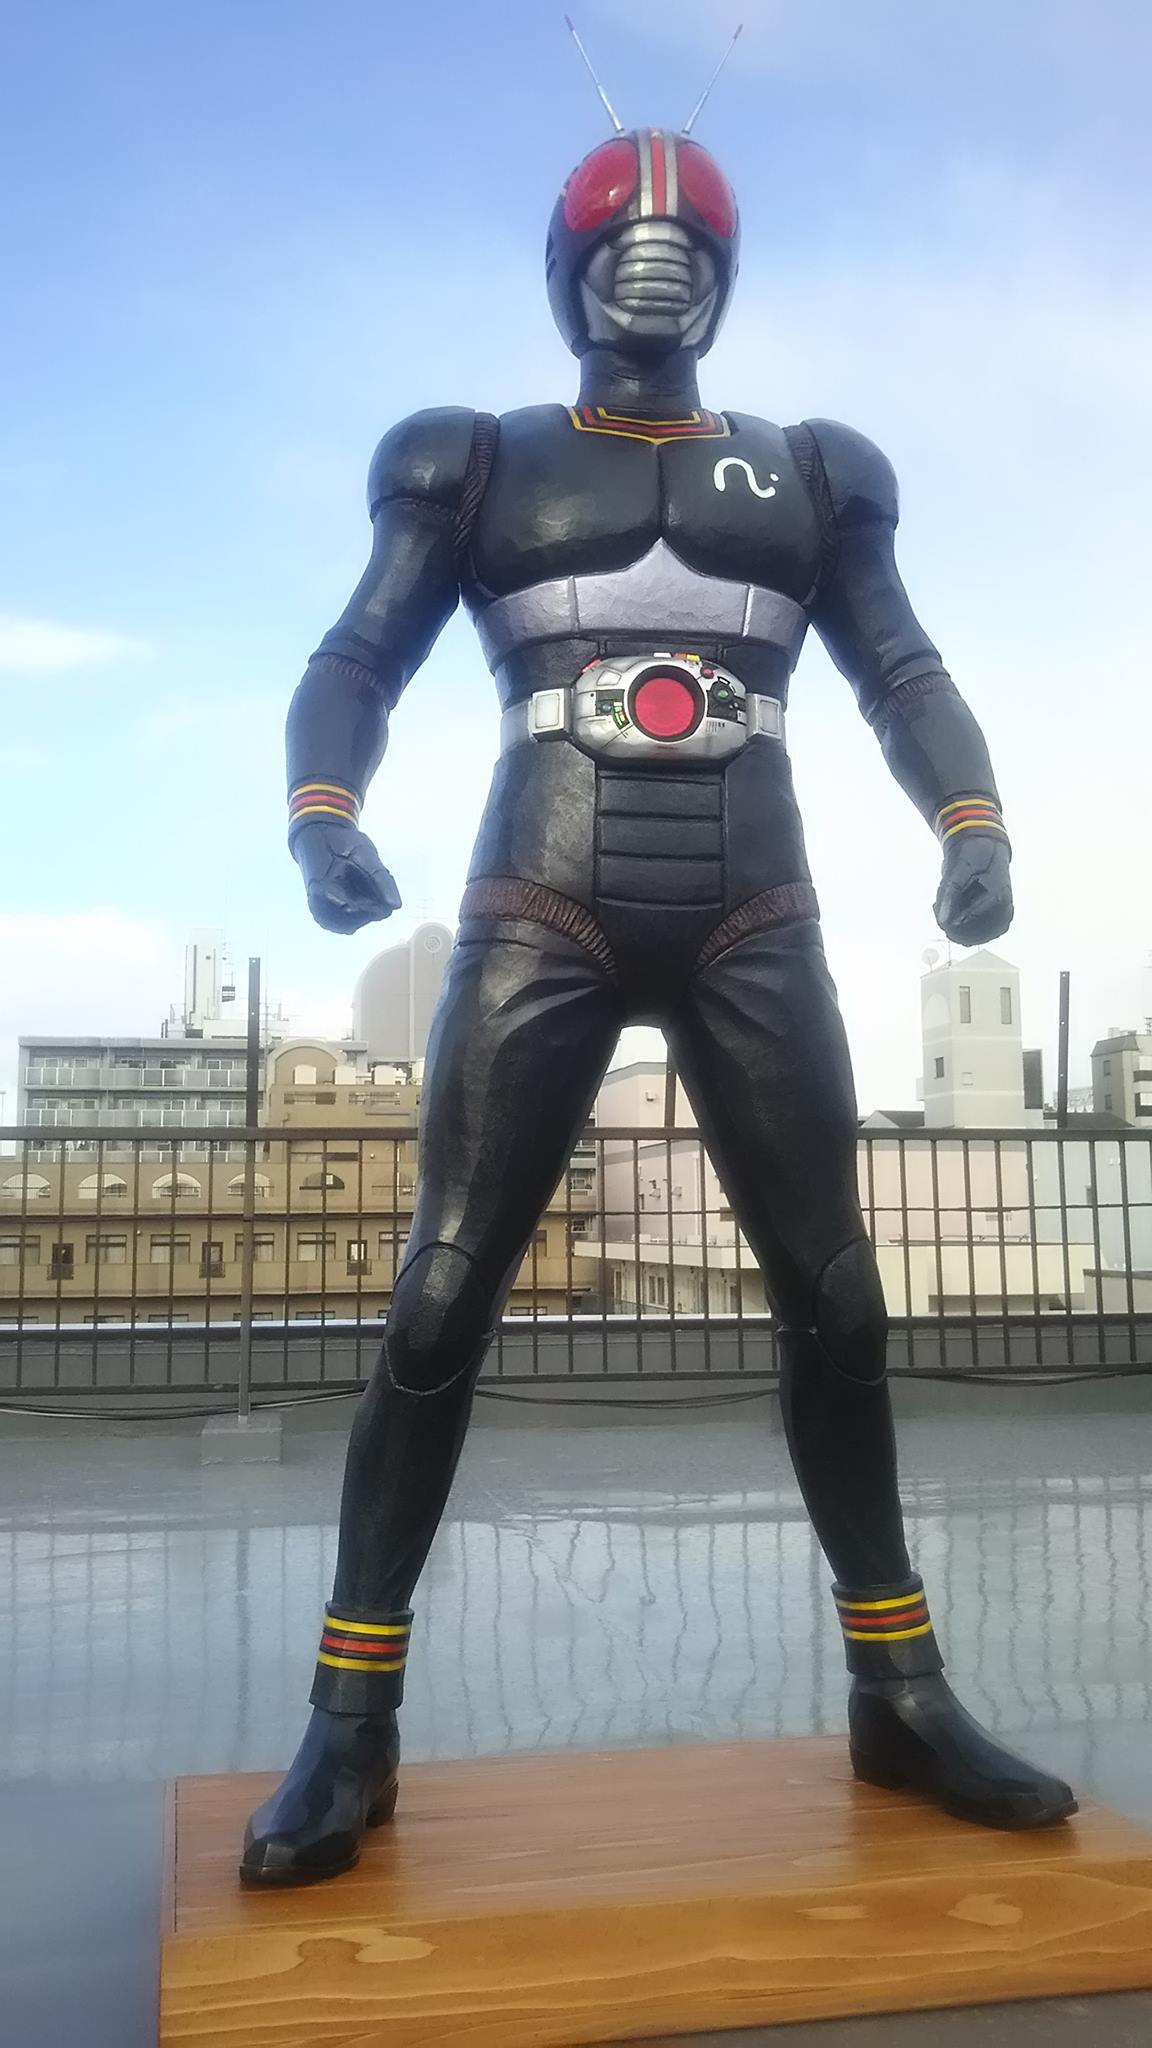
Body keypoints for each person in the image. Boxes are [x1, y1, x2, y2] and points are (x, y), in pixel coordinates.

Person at [241, 125, 1075, 1885]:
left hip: (751, 899)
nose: (655, 253)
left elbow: (901, 665)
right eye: (622, 236)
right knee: (442, 1292)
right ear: (563, 270)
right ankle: (349, 1719)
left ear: (728, 274)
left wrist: (973, 817)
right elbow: (357, 656)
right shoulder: (475, 457)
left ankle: (901, 1689)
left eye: (688, 238)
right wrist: (323, 814)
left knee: (836, 1295)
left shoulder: (814, 471)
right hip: (540, 887)